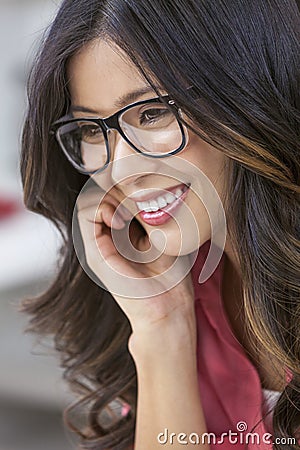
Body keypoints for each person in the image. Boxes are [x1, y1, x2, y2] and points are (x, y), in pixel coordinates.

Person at [20, 0, 300, 449]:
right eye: (92, 130)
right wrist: (161, 328)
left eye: (152, 113)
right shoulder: (177, 281)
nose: (119, 171)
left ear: (251, 94)